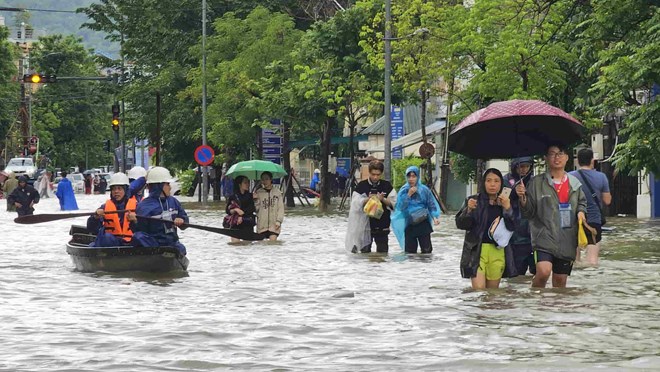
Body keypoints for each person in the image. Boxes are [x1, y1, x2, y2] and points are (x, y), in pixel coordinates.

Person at [518, 144, 588, 288]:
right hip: (543, 237)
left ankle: (555, 309)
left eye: (560, 153)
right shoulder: (536, 183)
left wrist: (581, 212)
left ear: (567, 158)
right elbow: (528, 213)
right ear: (546, 158)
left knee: (560, 281)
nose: (557, 157)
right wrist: (523, 199)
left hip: (567, 238)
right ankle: (535, 298)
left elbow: (582, 203)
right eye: (552, 154)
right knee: (543, 272)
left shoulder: (575, 184)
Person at [456, 168, 518, 289]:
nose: (492, 184)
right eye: (489, 180)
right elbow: (461, 224)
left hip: (498, 251)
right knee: (479, 290)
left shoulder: (505, 202)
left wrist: (508, 208)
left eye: (496, 181)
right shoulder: (473, 200)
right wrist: (468, 210)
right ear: (483, 183)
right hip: (477, 251)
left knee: (492, 295)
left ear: (501, 184)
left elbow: (513, 227)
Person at [569, 148, 612, 266]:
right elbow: (607, 201)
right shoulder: (601, 177)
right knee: (592, 261)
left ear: (577, 161)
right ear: (592, 160)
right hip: (594, 220)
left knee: (574, 260)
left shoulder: (569, 177)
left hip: (574, 220)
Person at [132, 167, 189, 254]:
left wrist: (182, 220)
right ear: (159, 186)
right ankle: (156, 255)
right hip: (153, 244)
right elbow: (140, 230)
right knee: (138, 237)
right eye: (167, 184)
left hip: (171, 243)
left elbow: (185, 222)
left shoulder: (173, 201)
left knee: (181, 248)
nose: (170, 187)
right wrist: (135, 221)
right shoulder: (144, 206)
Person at [392, 166, 441, 254]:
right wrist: (408, 195)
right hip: (410, 224)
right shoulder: (403, 191)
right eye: (409, 176)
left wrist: (435, 217)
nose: (411, 179)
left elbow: (431, 204)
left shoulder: (424, 190)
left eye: (414, 176)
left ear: (418, 177)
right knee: (410, 253)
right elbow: (400, 207)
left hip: (423, 223)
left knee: (427, 252)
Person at [353, 160, 396, 253]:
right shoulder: (361, 186)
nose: (375, 177)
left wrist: (382, 199)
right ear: (369, 172)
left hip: (382, 226)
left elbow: (395, 204)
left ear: (381, 174)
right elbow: (354, 204)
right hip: (365, 227)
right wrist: (367, 199)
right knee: (364, 255)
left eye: (378, 174)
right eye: (373, 174)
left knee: (383, 254)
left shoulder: (387, 186)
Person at [503, 156, 536, 276]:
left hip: (533, 235)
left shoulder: (534, 181)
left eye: (527, 166)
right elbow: (502, 199)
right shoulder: (506, 180)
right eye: (521, 166)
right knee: (516, 275)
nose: (524, 169)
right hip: (515, 236)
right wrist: (514, 193)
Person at [86, 172, 138, 247]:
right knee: (105, 237)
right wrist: (95, 217)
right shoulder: (105, 207)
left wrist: (136, 220)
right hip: (112, 242)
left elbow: (144, 228)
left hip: (130, 243)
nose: (116, 191)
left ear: (125, 190)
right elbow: (91, 229)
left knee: (140, 237)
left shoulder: (136, 206)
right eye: (113, 189)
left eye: (119, 189)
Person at [253, 171, 284, 240]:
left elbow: (281, 208)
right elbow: (256, 210)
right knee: (261, 247)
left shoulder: (277, 193)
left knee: (273, 244)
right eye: (263, 179)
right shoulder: (258, 192)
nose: (265, 181)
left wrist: (279, 221)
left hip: (274, 224)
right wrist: (256, 201)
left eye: (267, 179)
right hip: (262, 225)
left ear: (271, 179)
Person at [225, 175, 256, 242]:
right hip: (235, 224)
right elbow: (227, 210)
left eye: (248, 182)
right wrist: (236, 210)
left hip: (247, 223)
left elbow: (251, 209)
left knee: (247, 245)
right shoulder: (233, 196)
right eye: (245, 183)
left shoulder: (251, 196)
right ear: (239, 184)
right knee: (235, 245)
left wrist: (241, 215)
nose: (248, 184)